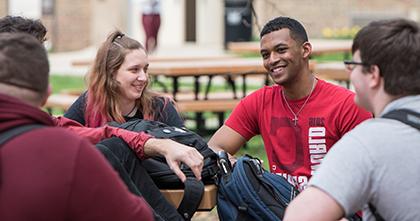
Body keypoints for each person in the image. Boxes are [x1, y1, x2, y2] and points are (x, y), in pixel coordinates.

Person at [0, 32, 153, 221]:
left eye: (145, 69)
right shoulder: (67, 148)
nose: (143, 77)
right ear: (47, 93)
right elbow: (134, 215)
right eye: (134, 70)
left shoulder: (160, 105)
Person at [208, 16, 371, 190]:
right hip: (277, 207)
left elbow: (368, 172)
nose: (272, 60)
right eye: (265, 55)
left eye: (281, 50)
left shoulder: (346, 104)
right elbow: (214, 147)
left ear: (305, 50)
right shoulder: (259, 102)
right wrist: (237, 167)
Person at [284, 18, 420, 221]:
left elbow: (299, 217)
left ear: (373, 74)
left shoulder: (367, 142)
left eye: (353, 64)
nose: (350, 73)